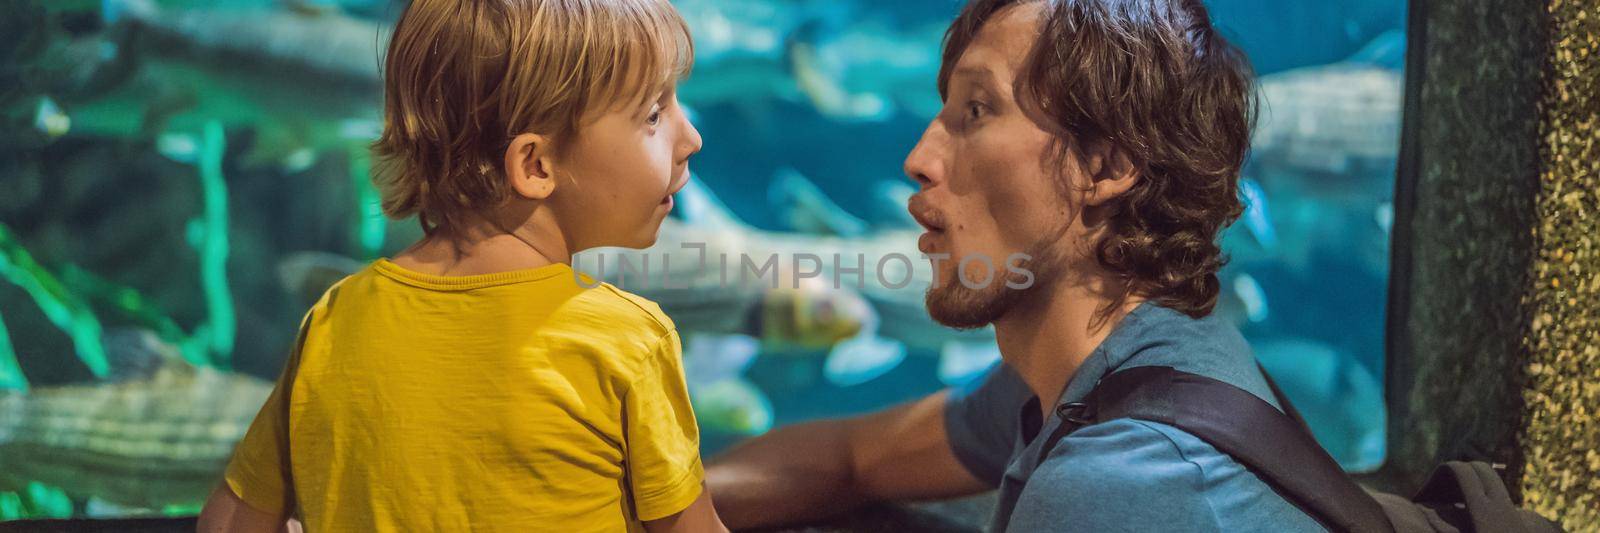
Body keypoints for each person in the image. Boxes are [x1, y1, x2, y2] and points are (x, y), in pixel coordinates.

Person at [706, 0, 1324, 531]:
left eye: (976, 110)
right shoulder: (1114, 370)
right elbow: (852, 457)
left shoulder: (1119, 483)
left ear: (1106, 167)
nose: (919, 159)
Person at [197, 0, 725, 531]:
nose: (693, 139)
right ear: (536, 165)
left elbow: (227, 522)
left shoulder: (335, 319)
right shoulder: (628, 341)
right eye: (654, 115)